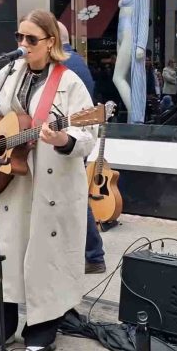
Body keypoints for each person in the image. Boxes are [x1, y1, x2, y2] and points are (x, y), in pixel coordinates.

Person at [0, 9, 96, 351]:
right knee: (2, 252)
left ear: (51, 42)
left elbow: (88, 131)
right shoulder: (7, 72)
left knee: (45, 258)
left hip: (53, 186)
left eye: (31, 39)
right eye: (19, 37)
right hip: (11, 180)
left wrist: (63, 140)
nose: (23, 44)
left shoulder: (69, 82)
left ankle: (41, 333)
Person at [57, 21, 107, 274]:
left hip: (70, 139)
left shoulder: (65, 63)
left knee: (74, 197)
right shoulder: (77, 60)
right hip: (71, 137)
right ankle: (92, 254)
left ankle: (93, 255)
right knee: (74, 197)